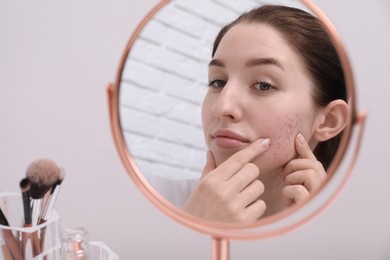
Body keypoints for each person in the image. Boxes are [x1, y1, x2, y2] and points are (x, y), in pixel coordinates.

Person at [183, 4, 349, 223]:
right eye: (218, 82)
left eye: (263, 85)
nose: (222, 107)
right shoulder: (149, 201)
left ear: (328, 121)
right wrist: (193, 229)